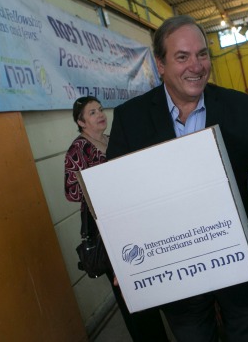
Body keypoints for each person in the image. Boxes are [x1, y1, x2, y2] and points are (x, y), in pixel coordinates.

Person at [106, 15, 248, 342]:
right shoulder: (130, 119)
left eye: (202, 54)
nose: (196, 65)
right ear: (160, 64)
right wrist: (123, 258)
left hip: (239, 261)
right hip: (174, 274)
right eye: (182, 56)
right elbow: (116, 200)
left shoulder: (241, 108)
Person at [64, 96, 168, 342]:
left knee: (146, 279)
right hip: (107, 228)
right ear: (80, 122)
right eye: (91, 113)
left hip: (133, 221)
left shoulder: (113, 141)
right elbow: (71, 192)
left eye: (100, 109)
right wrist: (100, 181)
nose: (100, 114)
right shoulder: (78, 149)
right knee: (126, 287)